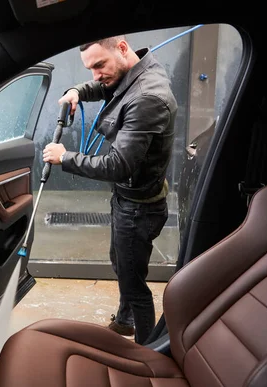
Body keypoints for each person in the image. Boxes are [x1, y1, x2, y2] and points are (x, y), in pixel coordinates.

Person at [42, 35, 177, 344]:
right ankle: (125, 321)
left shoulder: (146, 97)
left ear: (121, 47)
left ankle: (147, 353)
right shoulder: (135, 71)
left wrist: (65, 157)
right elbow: (104, 84)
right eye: (90, 69)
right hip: (129, 199)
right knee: (121, 262)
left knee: (134, 284)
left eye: (99, 65)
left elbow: (118, 166)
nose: (96, 75)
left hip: (139, 208)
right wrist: (77, 91)